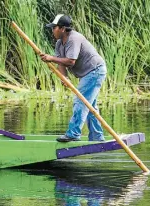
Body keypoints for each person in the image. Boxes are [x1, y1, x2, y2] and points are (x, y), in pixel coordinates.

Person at [40, 14, 107, 142]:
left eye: (54, 28)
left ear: (63, 29)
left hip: (95, 70)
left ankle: (74, 134)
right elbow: (61, 62)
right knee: (90, 106)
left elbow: (71, 61)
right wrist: (64, 77)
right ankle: (97, 137)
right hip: (88, 73)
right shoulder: (59, 43)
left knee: (81, 101)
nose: (52, 30)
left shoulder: (74, 39)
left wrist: (51, 58)